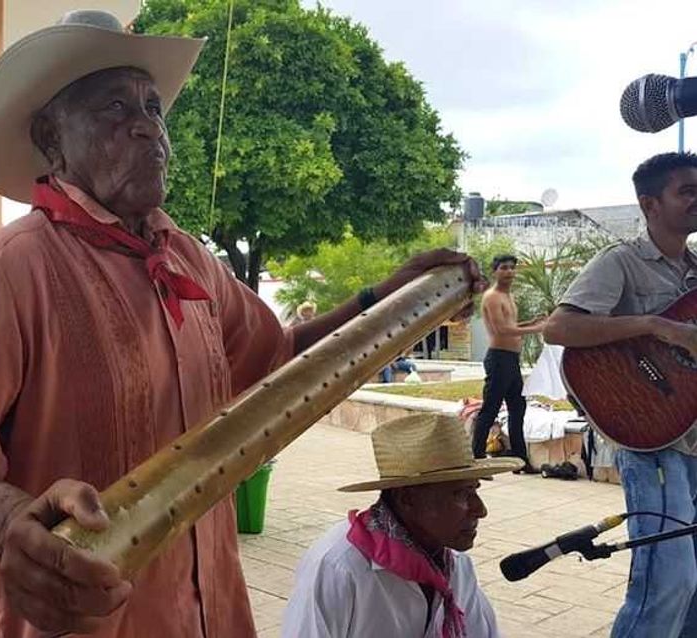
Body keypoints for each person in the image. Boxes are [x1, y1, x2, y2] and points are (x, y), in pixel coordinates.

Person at [0, 10, 484, 638]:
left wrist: (386, 295)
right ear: (51, 139)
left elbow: (278, 365)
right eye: (114, 109)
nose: (148, 128)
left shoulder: (188, 259)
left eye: (153, 108)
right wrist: (12, 522)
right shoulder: (9, 269)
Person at [544, 152, 697, 638]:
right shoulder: (622, 263)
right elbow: (558, 327)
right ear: (650, 203)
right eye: (686, 191)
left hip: (692, 434)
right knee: (666, 581)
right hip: (652, 438)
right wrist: (657, 326)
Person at [282, 413, 518, 637]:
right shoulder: (340, 567)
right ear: (407, 498)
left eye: (474, 490)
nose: (480, 510)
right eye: (460, 494)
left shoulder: (456, 567)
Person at [472, 254, 544, 474]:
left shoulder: (509, 297)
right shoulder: (492, 297)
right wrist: (535, 329)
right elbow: (501, 330)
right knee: (490, 409)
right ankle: (476, 458)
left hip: (512, 360)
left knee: (518, 409)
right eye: (504, 268)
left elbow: (510, 324)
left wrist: (529, 323)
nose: (509, 272)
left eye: (512, 268)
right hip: (498, 358)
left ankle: (520, 459)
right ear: (495, 271)